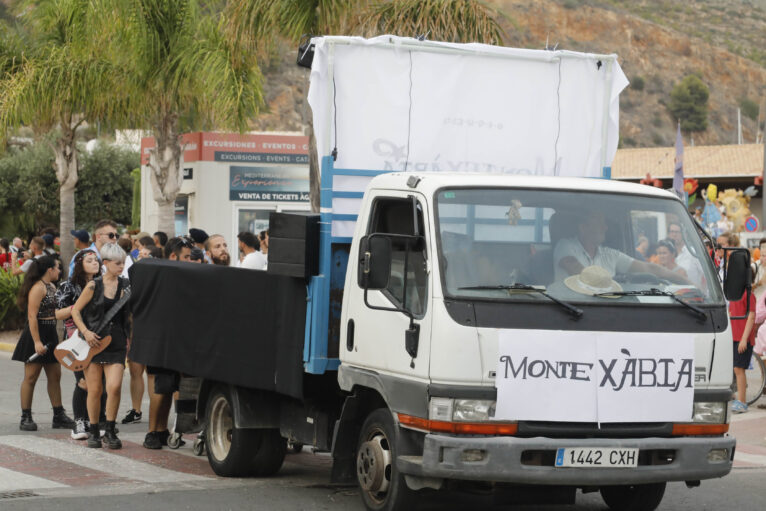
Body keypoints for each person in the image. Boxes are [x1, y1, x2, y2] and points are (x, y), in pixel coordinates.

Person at [71, 243, 130, 449]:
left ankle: (111, 429)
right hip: (93, 343)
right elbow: (76, 311)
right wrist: (86, 332)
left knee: (114, 387)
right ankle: (95, 430)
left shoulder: (126, 286)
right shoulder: (93, 286)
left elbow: (129, 316)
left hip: (117, 343)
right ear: (105, 263)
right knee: (94, 390)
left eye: (123, 262)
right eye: (117, 263)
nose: (122, 266)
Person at [11, 256, 75, 431]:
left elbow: (54, 313)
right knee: (31, 377)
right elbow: (32, 316)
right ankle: (26, 416)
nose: (59, 271)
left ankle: (58, 415)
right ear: (49, 270)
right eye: (57, 267)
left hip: (50, 333)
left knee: (55, 376)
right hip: (36, 333)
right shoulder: (38, 288)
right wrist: (37, 342)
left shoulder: (52, 286)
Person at [143, 237, 192, 449]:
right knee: (161, 389)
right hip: (160, 341)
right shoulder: (161, 275)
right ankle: (152, 432)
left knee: (171, 386)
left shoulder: (183, 275)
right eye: (187, 256)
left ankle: (162, 430)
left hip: (177, 341)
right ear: (173, 256)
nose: (191, 260)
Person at [553, 210, 689, 284]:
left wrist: (686, 282)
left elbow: (649, 268)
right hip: (570, 312)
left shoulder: (610, 255)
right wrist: (616, 283)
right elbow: (580, 272)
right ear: (583, 228)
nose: (605, 228)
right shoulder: (566, 246)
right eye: (599, 223)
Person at [55, 250, 106, 440]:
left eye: (96, 260)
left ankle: (100, 420)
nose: (95, 263)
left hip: (99, 338)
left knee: (101, 382)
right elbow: (57, 314)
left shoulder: (104, 285)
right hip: (76, 340)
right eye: (89, 260)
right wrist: (77, 308)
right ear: (79, 264)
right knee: (83, 382)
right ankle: (80, 421)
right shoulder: (67, 286)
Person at [667, 221, 704, 287]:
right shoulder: (666, 254)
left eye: (677, 232)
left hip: (692, 295)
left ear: (683, 234)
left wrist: (703, 292)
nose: (674, 235)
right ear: (668, 234)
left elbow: (705, 275)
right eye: (672, 232)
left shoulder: (693, 253)